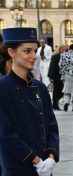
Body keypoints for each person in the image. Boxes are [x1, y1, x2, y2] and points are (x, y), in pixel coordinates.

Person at [0, 27, 59, 176]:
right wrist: (37, 160)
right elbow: (5, 134)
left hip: (44, 169)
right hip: (16, 168)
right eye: (27, 51)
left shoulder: (40, 87)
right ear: (11, 52)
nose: (34, 56)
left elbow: (51, 125)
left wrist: (51, 158)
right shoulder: (3, 88)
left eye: (35, 50)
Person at [59, 43, 73, 112]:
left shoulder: (63, 55)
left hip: (65, 75)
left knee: (66, 91)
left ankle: (66, 102)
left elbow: (59, 64)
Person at [48, 44, 67, 110]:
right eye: (63, 49)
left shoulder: (63, 56)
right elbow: (52, 67)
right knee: (56, 91)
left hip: (61, 76)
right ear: (59, 49)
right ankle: (55, 105)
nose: (64, 51)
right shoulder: (55, 56)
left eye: (65, 50)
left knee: (60, 91)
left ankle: (57, 104)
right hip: (56, 76)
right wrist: (51, 77)